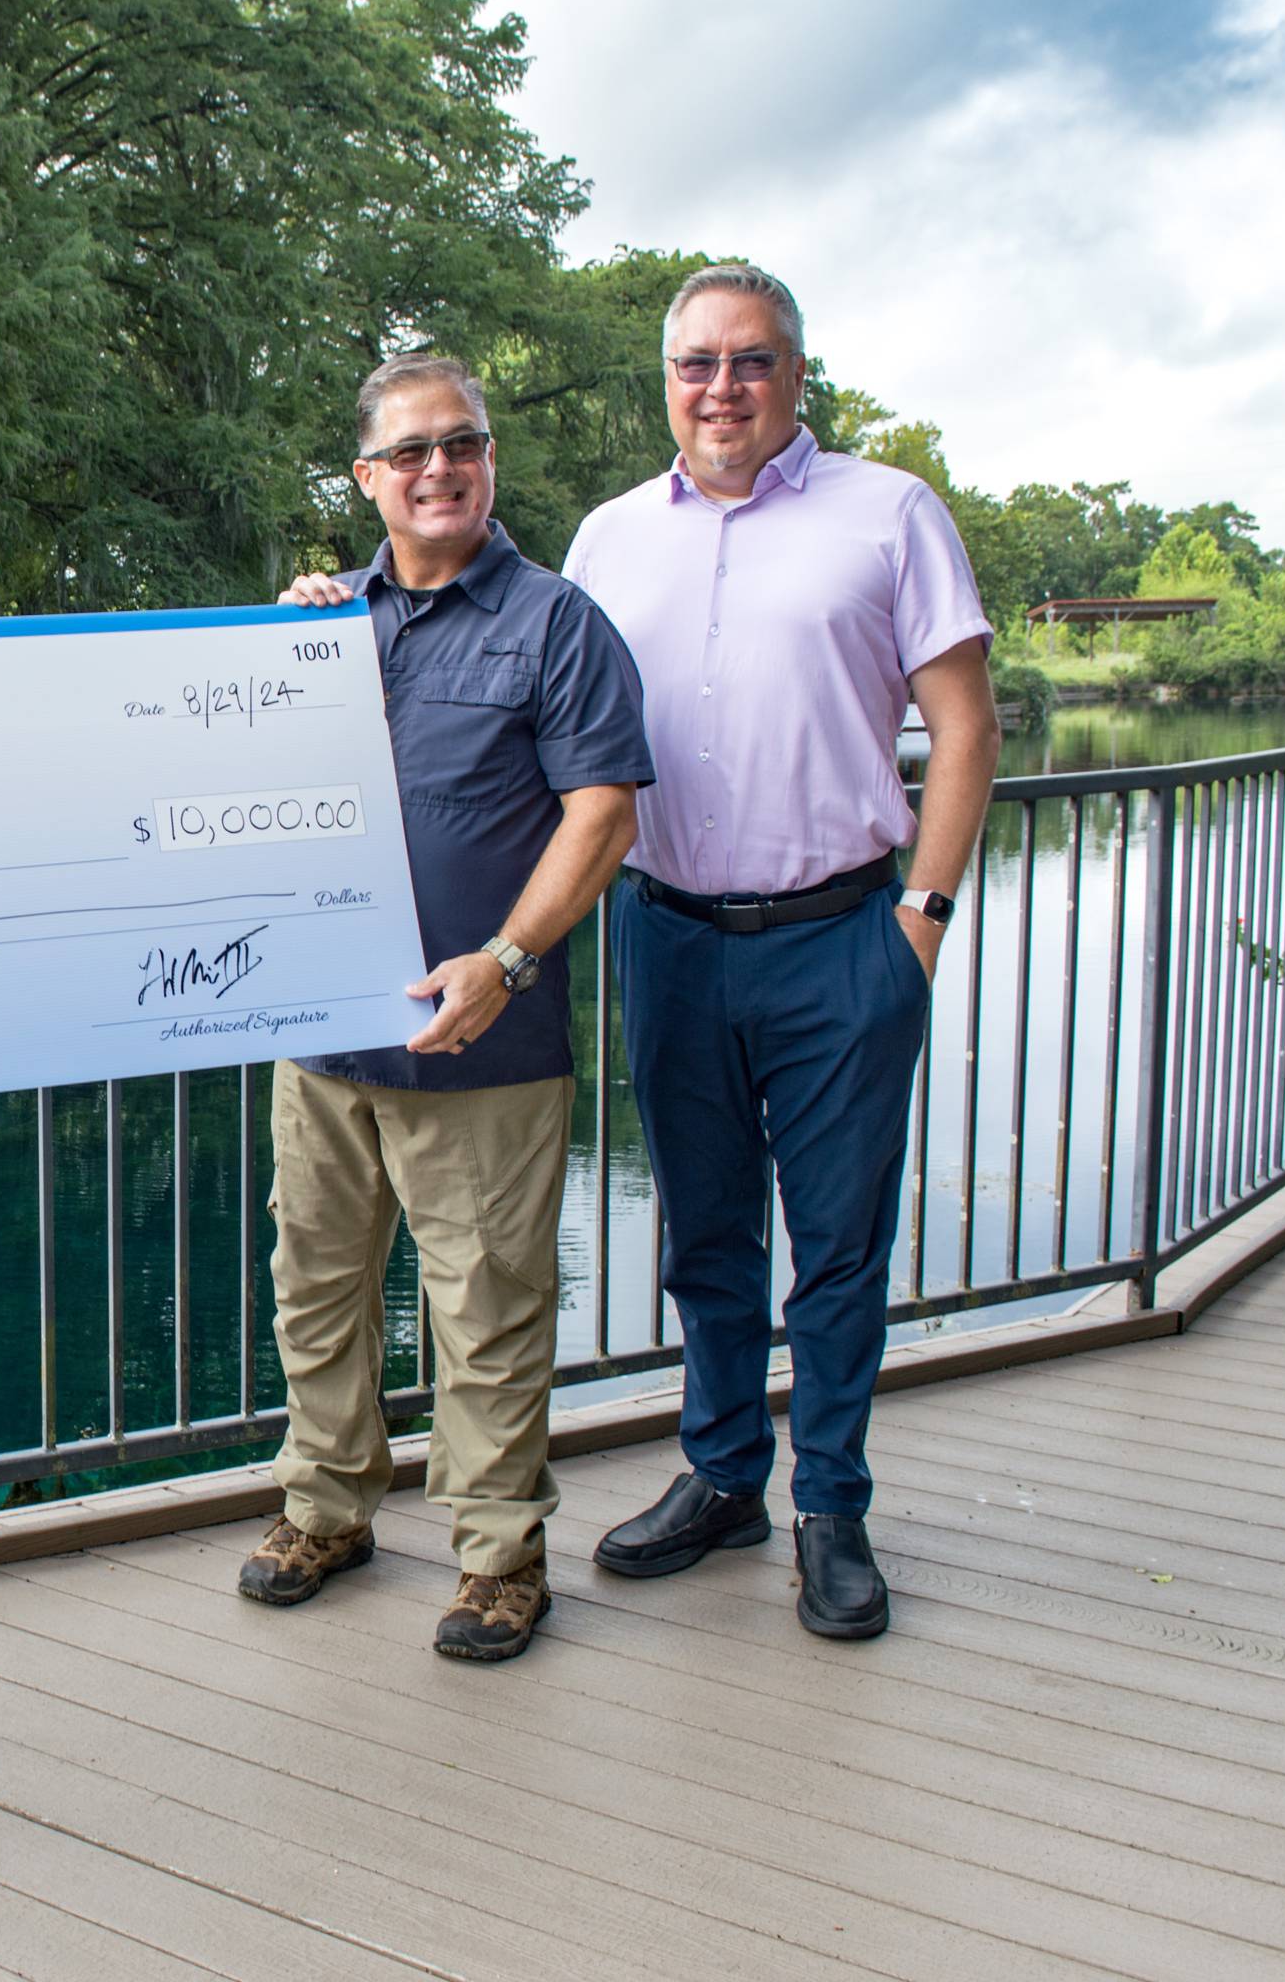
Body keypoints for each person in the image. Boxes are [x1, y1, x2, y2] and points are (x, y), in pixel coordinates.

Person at [562, 263, 1000, 1640]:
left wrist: (918, 925)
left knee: (838, 1246)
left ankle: (835, 1509)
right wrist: (341, 605)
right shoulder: (609, 536)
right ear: (667, 380)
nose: (722, 387)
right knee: (704, 1232)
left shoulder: (890, 513)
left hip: (841, 939)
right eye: (697, 363)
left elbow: (969, 730)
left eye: (751, 361)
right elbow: (518, 692)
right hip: (670, 934)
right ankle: (722, 1476)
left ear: (796, 375)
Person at [258, 352, 651, 1660]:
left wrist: (510, 958)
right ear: (367, 477)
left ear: (490, 462)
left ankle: (498, 1560)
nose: (441, 468)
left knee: (484, 1312)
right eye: (412, 451)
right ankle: (326, 1508)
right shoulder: (316, 628)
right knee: (315, 1290)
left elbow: (601, 814)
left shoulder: (556, 624)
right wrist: (274, 641)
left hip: (485, 1042)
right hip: (320, 1040)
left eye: (463, 444)